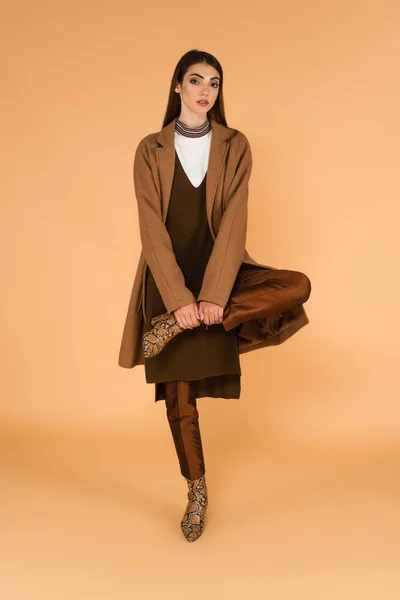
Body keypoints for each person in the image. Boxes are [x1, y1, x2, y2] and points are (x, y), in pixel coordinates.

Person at [118, 49, 311, 542]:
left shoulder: (235, 145)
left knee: (296, 286)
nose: (206, 90)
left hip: (221, 276)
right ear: (177, 87)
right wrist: (179, 300)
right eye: (196, 80)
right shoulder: (149, 149)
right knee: (180, 400)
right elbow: (150, 230)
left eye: (215, 83)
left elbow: (234, 223)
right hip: (167, 281)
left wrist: (212, 298)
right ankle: (196, 492)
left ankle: (199, 324)